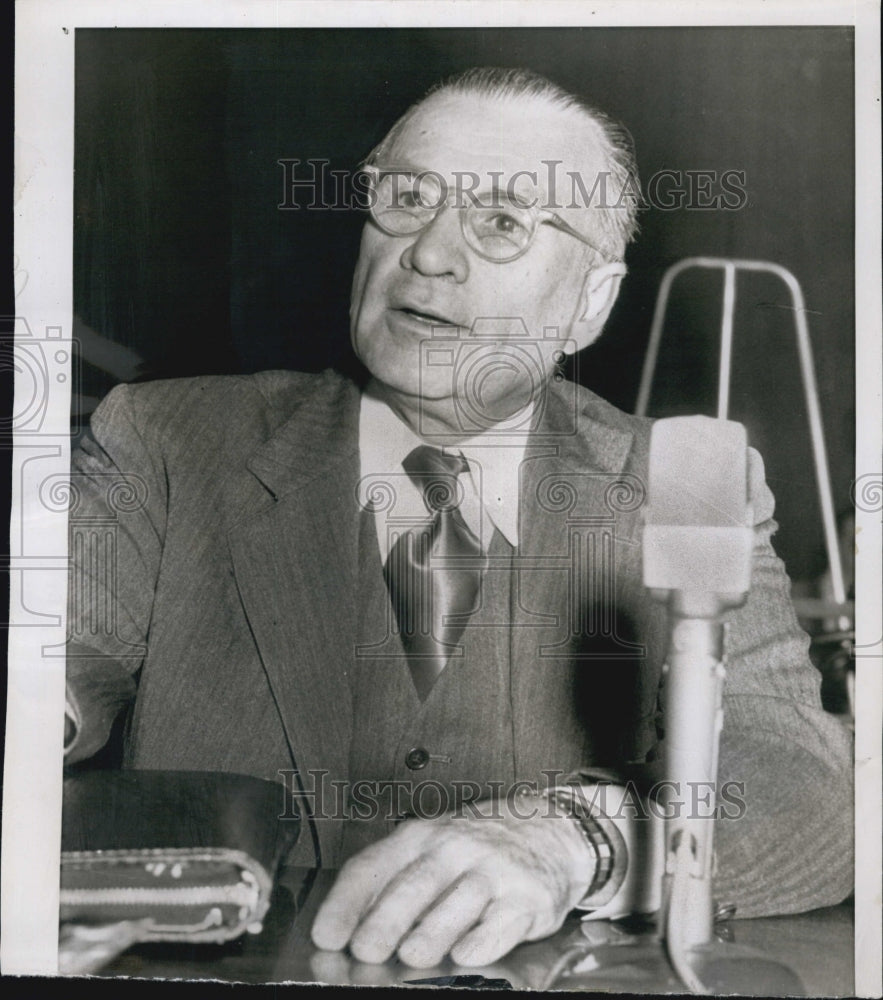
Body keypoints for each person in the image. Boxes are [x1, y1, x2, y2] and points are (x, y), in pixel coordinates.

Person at [63, 68, 853, 969]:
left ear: (590, 300)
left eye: (503, 222)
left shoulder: (682, 479)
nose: (430, 255)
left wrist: (574, 842)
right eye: (405, 199)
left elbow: (809, 793)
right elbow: (50, 657)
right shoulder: (167, 439)